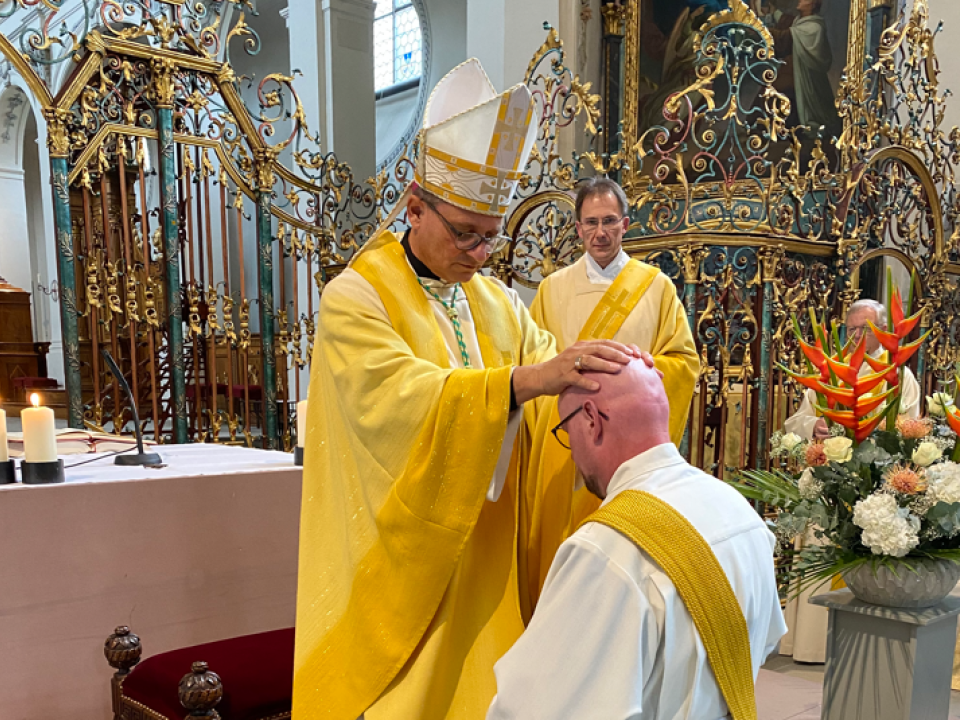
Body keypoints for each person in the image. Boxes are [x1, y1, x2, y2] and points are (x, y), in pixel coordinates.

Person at [292, 58, 645, 720]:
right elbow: (394, 397)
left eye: (491, 239)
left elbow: (552, 381)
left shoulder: (495, 303)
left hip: (485, 556)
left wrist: (610, 386)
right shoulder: (356, 296)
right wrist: (522, 382)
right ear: (413, 206)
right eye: (465, 235)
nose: (481, 255)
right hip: (398, 561)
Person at [487, 360, 787, 719]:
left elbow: (540, 708)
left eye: (566, 433)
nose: (572, 454)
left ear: (590, 419)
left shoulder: (606, 548)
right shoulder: (737, 510)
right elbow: (766, 640)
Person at [524, 176, 698, 606]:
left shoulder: (656, 286)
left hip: (629, 444)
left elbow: (683, 361)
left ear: (624, 223)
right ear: (578, 229)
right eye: (589, 223)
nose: (599, 232)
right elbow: (536, 360)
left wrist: (633, 374)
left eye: (608, 221)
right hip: (567, 439)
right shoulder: (553, 289)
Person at [784, 298, 921, 441]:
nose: (856, 335)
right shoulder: (833, 369)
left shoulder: (897, 373)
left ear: (883, 330)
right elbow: (795, 422)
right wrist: (813, 425)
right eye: (852, 329)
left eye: (865, 328)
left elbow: (908, 429)